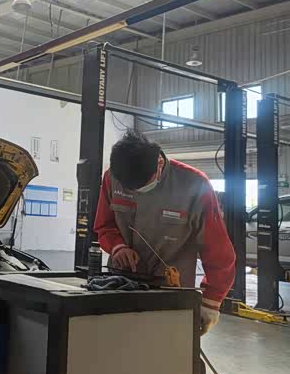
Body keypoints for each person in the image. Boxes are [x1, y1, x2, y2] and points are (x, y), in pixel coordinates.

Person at [93, 131, 236, 335]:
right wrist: (118, 247)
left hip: (172, 294)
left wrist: (210, 302)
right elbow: (105, 225)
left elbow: (218, 252)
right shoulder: (112, 178)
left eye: (142, 186)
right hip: (121, 286)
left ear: (159, 163)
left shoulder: (196, 186)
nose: (137, 192)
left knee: (167, 349)